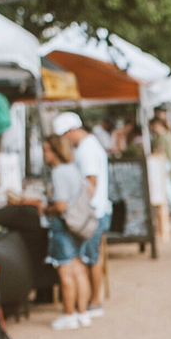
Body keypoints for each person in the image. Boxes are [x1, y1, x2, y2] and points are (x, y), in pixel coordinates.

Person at [53, 112, 113, 318]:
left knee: (90, 258)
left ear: (71, 131)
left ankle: (94, 301)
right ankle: (92, 301)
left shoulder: (86, 149)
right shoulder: (90, 145)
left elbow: (91, 185)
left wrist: (74, 208)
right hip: (95, 211)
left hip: (92, 213)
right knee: (90, 257)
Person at [41, 133, 92, 330]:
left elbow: (61, 205)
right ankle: (83, 312)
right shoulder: (73, 169)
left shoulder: (58, 173)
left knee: (65, 272)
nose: (44, 154)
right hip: (78, 226)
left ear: (55, 151)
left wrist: (46, 209)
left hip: (64, 227)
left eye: (47, 150)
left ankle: (69, 314)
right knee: (79, 268)